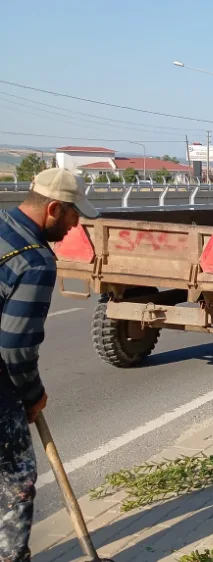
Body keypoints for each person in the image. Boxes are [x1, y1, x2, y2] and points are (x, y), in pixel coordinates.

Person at [0, 168, 98, 562]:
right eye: (74, 215)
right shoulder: (36, 261)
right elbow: (16, 346)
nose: (76, 225)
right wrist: (32, 395)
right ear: (54, 208)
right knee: (17, 480)